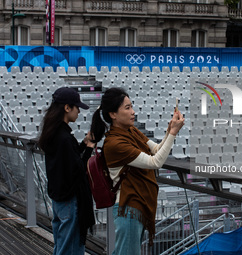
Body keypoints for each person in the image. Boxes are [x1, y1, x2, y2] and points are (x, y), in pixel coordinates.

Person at [90, 87, 185, 255]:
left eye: (131, 106)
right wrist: (172, 134)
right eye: (127, 108)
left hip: (135, 206)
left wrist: (170, 131)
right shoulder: (115, 143)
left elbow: (155, 149)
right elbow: (155, 162)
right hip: (128, 207)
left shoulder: (130, 131)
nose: (133, 112)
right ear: (113, 114)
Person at [38, 87, 95, 255]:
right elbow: (77, 169)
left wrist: (84, 144)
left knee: (61, 246)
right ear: (67, 108)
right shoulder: (64, 137)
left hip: (58, 199)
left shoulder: (53, 132)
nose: (79, 111)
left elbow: (69, 159)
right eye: (76, 107)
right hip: (70, 200)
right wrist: (90, 149)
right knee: (70, 248)